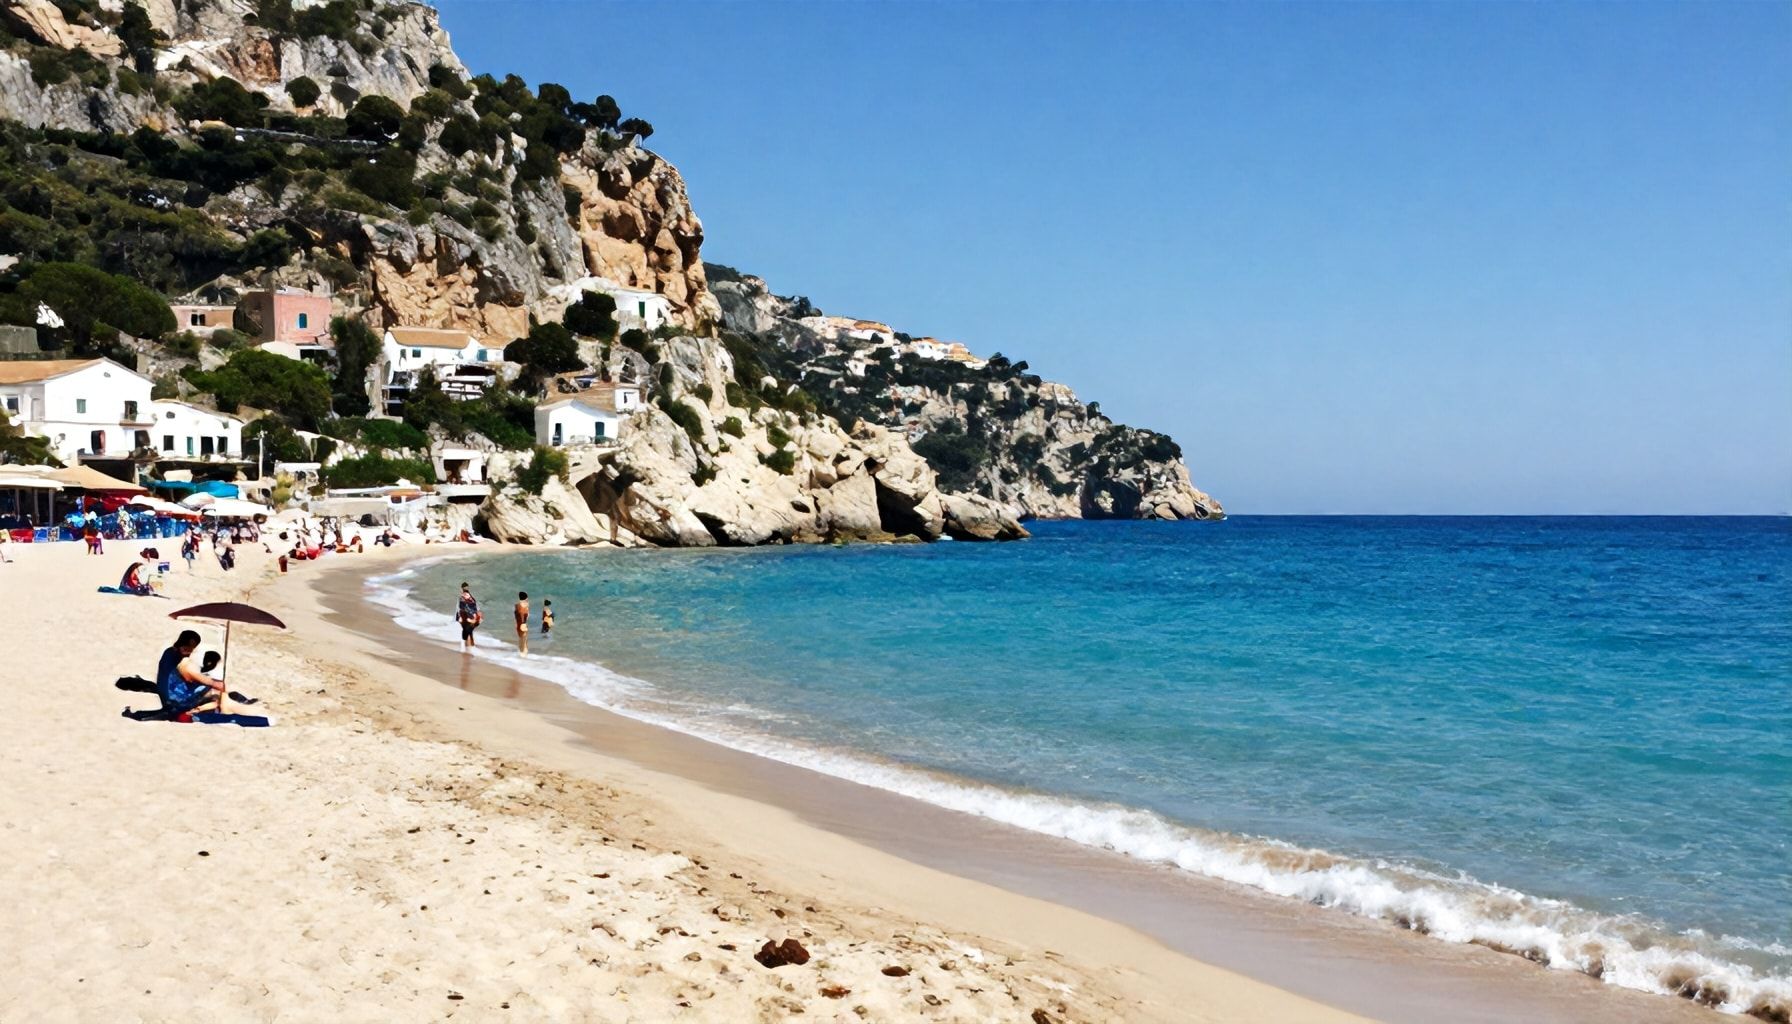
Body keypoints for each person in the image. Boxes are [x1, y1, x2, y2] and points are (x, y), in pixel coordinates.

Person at [155, 629, 236, 716]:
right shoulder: (182, 660)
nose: (190, 650)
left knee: (208, 688)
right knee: (214, 692)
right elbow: (191, 675)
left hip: (168, 693)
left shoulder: (170, 652)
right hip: (174, 699)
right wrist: (213, 683)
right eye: (188, 647)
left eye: (192, 648)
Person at [455, 582, 481, 651]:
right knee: (468, 630)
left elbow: (460, 607)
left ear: (461, 588)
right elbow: (472, 606)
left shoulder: (463, 597)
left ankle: (466, 645)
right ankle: (469, 645)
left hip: (466, 615)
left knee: (467, 630)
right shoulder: (469, 597)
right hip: (468, 615)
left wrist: (459, 616)